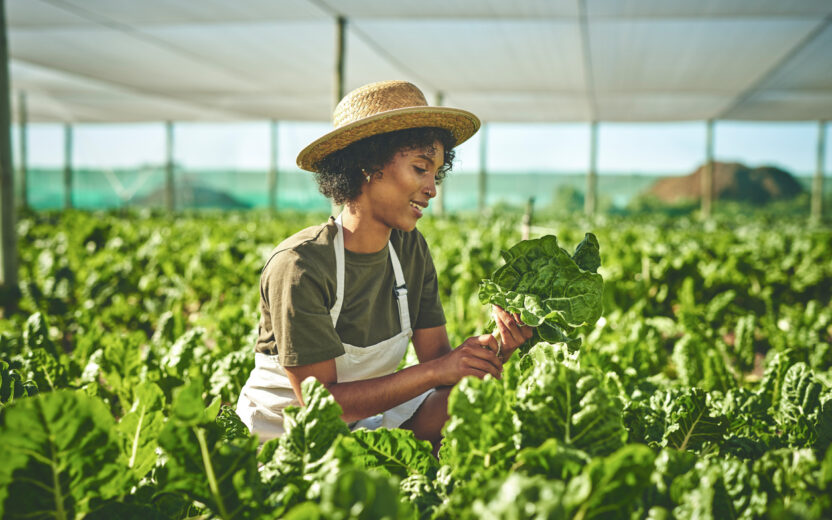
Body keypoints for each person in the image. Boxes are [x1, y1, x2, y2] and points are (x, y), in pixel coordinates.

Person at [235, 80, 533, 452]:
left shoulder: (411, 250)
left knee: (466, 414)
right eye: (420, 168)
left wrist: (496, 351)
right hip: (284, 442)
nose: (432, 189)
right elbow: (322, 406)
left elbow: (443, 376)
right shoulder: (300, 265)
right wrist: (439, 370)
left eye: (436, 173)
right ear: (367, 164)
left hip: (364, 430)